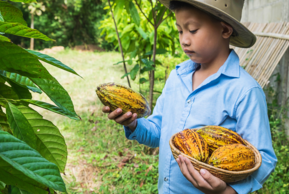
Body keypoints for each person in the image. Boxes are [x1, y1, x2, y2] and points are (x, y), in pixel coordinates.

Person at [102, 0, 277, 193]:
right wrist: (132, 124)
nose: (184, 40)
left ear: (225, 30)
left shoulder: (244, 91)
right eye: (180, 31)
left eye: (192, 30)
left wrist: (228, 191)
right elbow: (159, 131)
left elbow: (264, 158)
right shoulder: (177, 78)